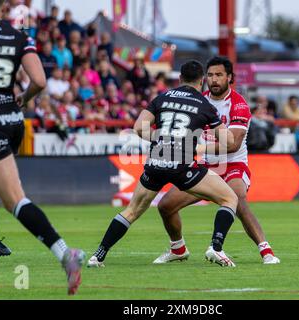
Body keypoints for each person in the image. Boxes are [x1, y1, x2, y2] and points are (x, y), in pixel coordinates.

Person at [87, 60, 239, 268]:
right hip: (182, 165)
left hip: (157, 161)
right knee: (229, 198)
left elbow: (139, 128)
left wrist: (161, 138)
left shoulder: (162, 97)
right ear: (202, 81)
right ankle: (216, 247)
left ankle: (98, 255)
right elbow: (229, 141)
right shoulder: (205, 105)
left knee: (131, 211)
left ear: (179, 79)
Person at [0, 0, 84, 294]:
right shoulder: (19, 36)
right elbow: (39, 80)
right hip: (11, 119)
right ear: (4, 5)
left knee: (14, 199)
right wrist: (23, 98)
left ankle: (65, 254)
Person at [153, 56, 280, 265]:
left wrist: (200, 146)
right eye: (210, 75)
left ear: (229, 77)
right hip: (206, 166)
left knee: (237, 196)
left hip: (233, 164)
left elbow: (233, 144)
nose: (214, 80)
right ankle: (178, 249)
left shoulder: (238, 105)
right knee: (166, 206)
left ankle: (266, 251)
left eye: (219, 75)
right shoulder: (199, 101)